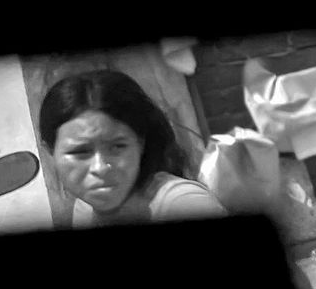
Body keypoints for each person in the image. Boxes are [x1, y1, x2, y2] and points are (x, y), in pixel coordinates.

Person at [39, 69, 228, 228]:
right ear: (51, 153)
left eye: (117, 146)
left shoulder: (184, 204)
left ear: (140, 144)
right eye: (80, 152)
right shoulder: (83, 209)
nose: (101, 167)